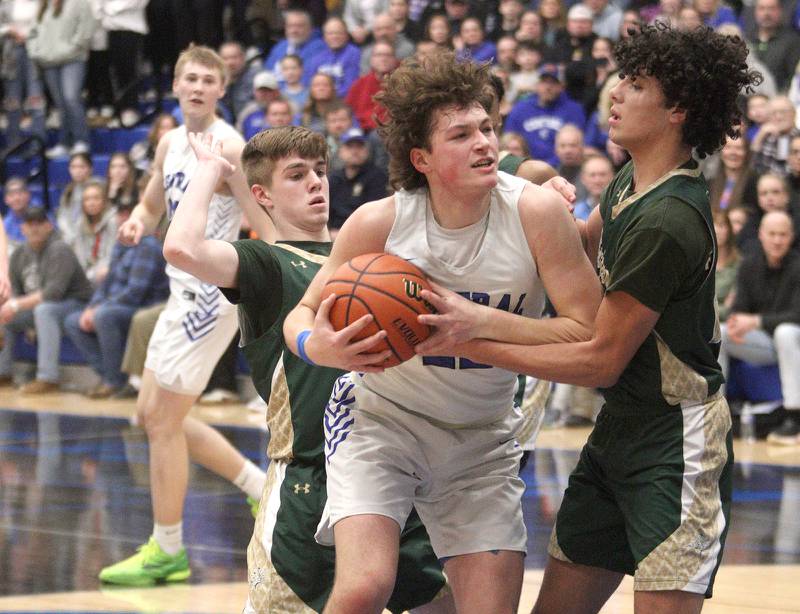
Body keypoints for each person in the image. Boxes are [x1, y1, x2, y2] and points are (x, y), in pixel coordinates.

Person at [415, 23, 760, 613]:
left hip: (677, 442)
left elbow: (601, 358)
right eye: (620, 78)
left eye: (636, 84)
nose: (615, 93)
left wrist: (474, 337)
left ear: (677, 109)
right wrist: (525, 178)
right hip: (618, 431)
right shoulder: (631, 178)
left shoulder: (668, 220)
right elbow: (574, 246)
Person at [283, 52, 600, 614]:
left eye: (487, 128)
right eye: (461, 134)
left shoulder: (536, 213)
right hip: (381, 421)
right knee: (363, 587)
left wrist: (480, 325)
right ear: (421, 157)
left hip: (481, 437)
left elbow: (587, 331)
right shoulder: (380, 222)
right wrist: (320, 345)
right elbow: (302, 315)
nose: (483, 143)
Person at [161, 124, 454, 614]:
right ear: (262, 196)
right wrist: (210, 170)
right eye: (296, 176)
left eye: (319, 171)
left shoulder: (369, 255)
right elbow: (182, 249)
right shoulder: (265, 262)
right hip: (308, 476)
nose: (317, 182)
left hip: (393, 466)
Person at [97, 44, 274, 586]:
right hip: (179, 293)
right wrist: (135, 221)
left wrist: (276, 277)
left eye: (208, 81)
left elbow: (262, 220)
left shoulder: (229, 144)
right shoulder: (170, 141)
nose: (197, 87)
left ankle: (168, 548)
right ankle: (259, 487)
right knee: (153, 415)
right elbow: (153, 204)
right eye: (189, 79)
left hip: (207, 296)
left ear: (222, 90)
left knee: (163, 422)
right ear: (175, 85)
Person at [64, 202, 169, 398]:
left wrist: (100, 309)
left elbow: (135, 292)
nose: (121, 220)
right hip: (116, 305)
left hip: (143, 307)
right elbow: (107, 282)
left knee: (104, 317)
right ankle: (109, 375)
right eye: (120, 215)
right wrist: (92, 307)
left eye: (126, 215)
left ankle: (114, 381)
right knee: (73, 321)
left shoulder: (148, 246)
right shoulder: (121, 244)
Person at [719, 211, 800, 446]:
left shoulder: (798, 266)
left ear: (791, 236)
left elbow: (797, 315)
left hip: (793, 339)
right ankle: (718, 413)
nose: (777, 240)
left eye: (783, 235)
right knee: (722, 333)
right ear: (761, 235)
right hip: (765, 343)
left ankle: (794, 417)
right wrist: (736, 324)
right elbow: (739, 310)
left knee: (785, 331)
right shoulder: (749, 265)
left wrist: (755, 322)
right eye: (772, 234)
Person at [0, 207, 93, 392]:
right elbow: (16, 292)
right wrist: (11, 308)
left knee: (44, 310)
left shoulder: (60, 249)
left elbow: (54, 293)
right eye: (29, 224)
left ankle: (48, 377)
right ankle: (4, 372)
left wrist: (17, 305)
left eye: (39, 224)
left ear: (49, 226)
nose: (34, 229)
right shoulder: (19, 253)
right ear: (22, 228)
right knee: (6, 315)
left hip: (75, 304)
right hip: (41, 308)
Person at [26, 0, 95, 157]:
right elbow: (32, 33)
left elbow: (87, 28)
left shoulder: (80, 3)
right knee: (60, 103)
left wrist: (74, 47)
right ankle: (64, 142)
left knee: (71, 98)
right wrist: (36, 52)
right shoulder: (43, 4)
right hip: (48, 61)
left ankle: (81, 141)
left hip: (73, 59)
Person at [328, 127, 390, 234]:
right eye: (349, 147)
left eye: (359, 146)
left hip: (363, 235)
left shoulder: (377, 176)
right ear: (340, 151)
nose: (354, 151)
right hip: (332, 235)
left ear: (366, 151)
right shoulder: (333, 178)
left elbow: (374, 217)